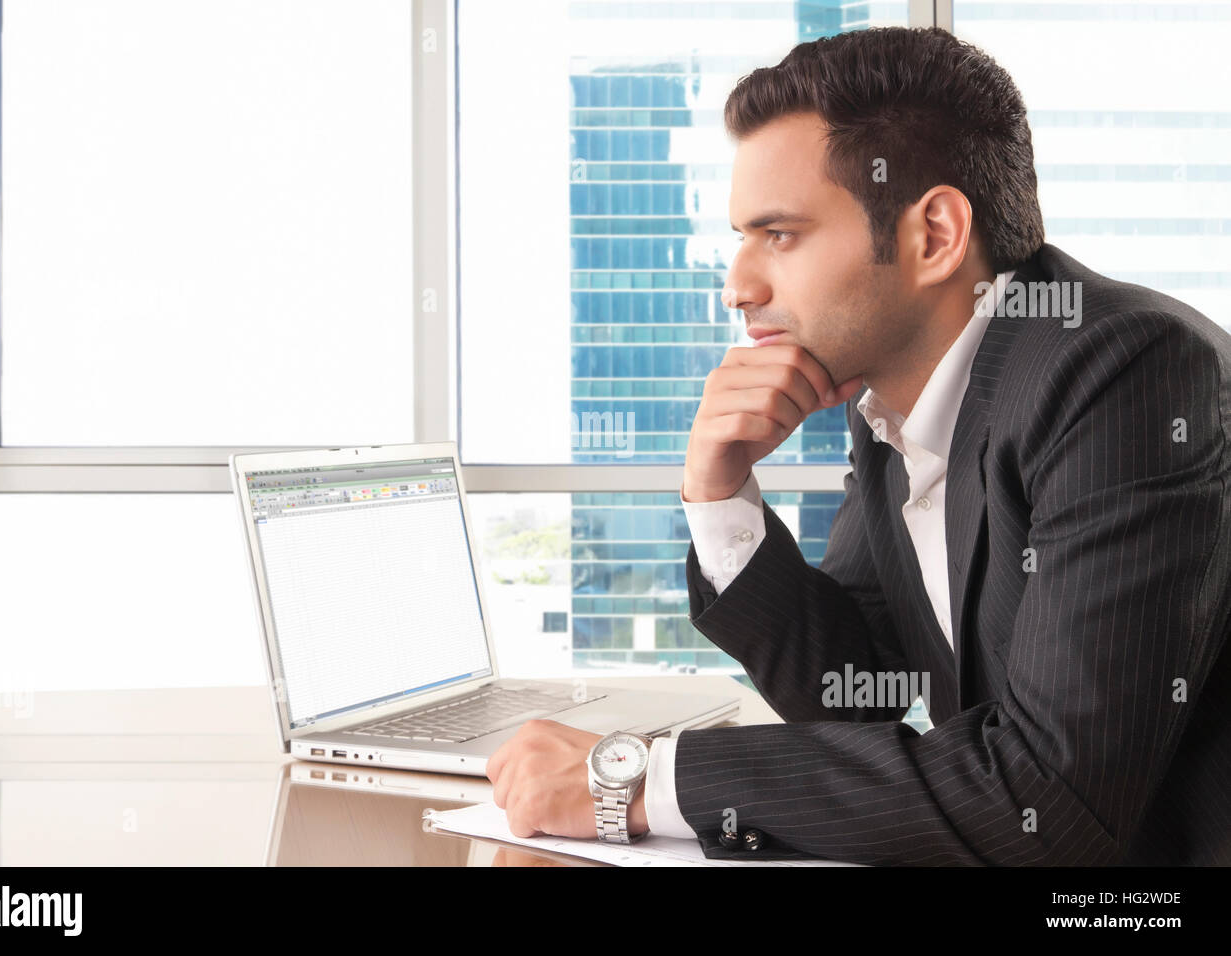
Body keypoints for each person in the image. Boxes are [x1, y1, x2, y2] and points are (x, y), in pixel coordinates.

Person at [487, 26, 1231, 865]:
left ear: (936, 236)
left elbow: (1051, 798)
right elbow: (851, 693)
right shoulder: (895, 400)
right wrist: (719, 495)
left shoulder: (1123, 372)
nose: (738, 284)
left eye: (780, 234)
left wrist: (641, 782)